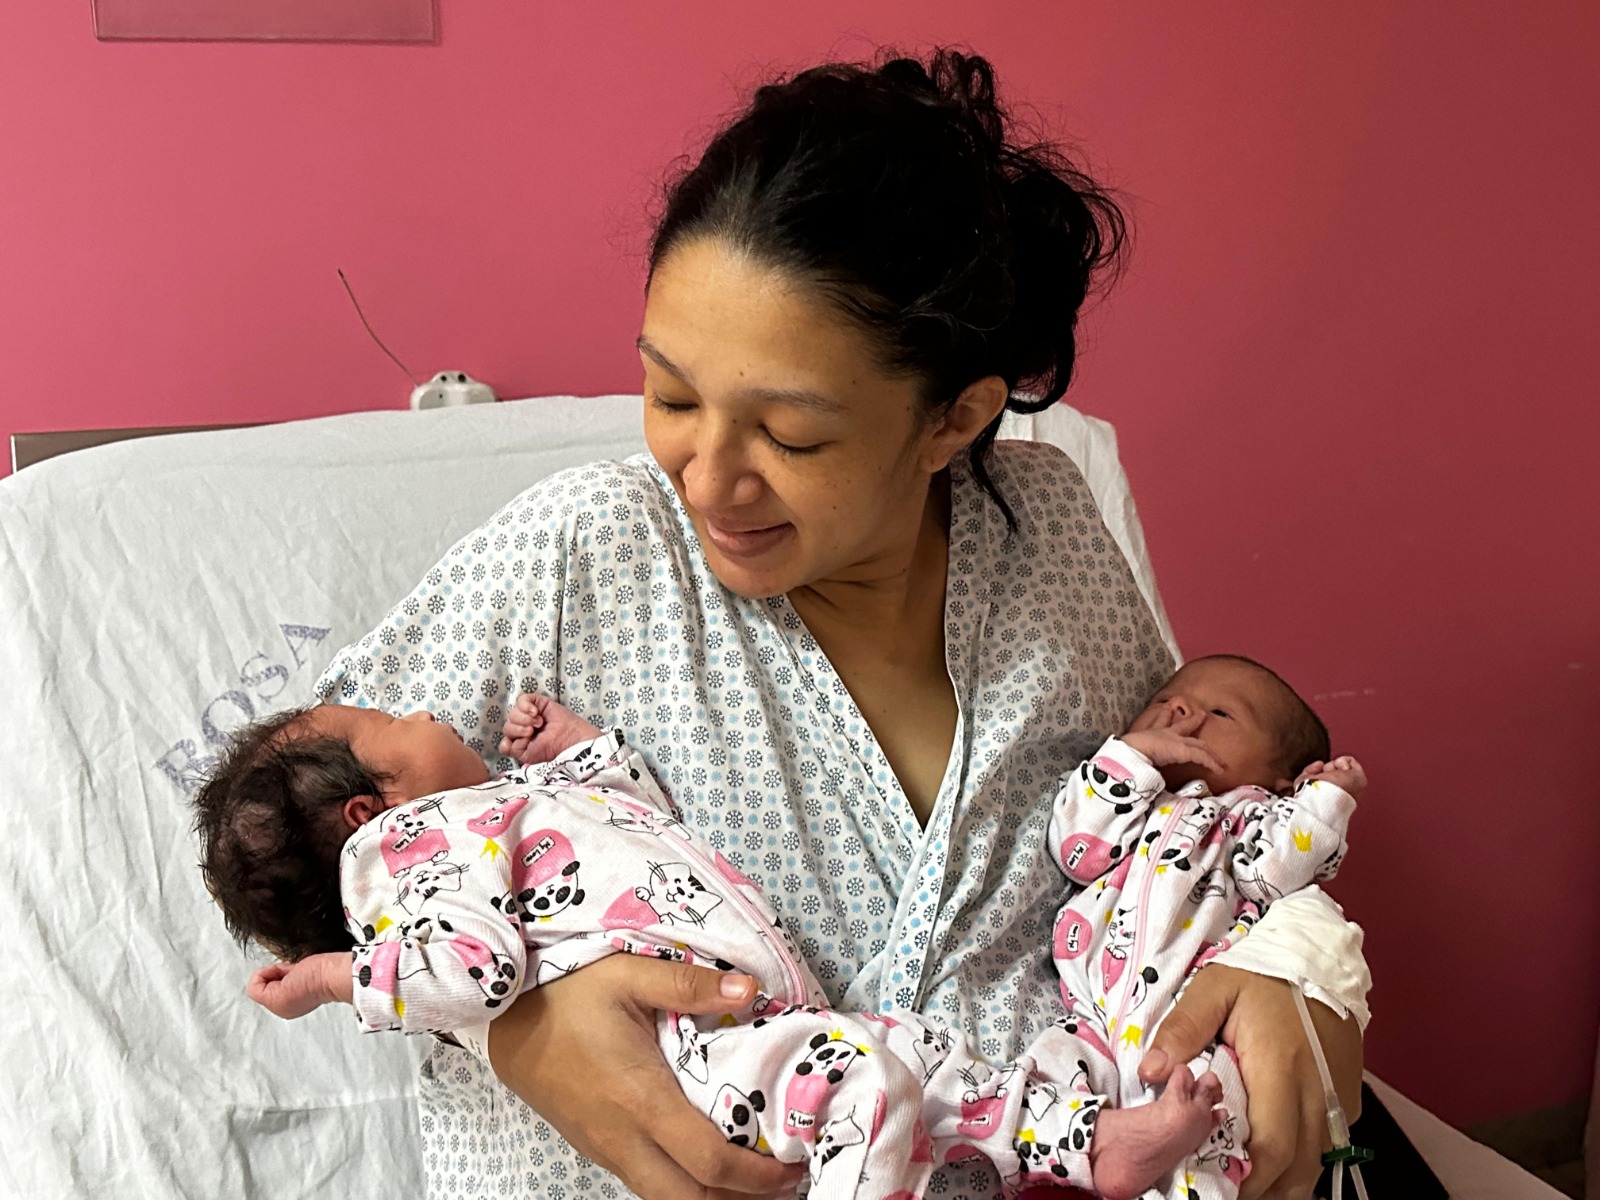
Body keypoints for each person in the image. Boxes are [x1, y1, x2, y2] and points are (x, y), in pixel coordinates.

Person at [314, 48, 1369, 1200]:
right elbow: (279, 836)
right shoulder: (583, 554)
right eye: (670, 395)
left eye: (792, 436)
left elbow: (1195, 823)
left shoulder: (1046, 535)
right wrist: (522, 1023)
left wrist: (1298, 963)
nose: (707, 476)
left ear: (952, 421)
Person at [196, 652, 1355, 1200]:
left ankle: (1093, 1146)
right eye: (385, 719)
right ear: (374, 811)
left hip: (766, 1018)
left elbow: (631, 822)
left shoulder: (507, 804)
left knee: (931, 1073)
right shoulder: (415, 852)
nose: (416, 703)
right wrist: (341, 978)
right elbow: (471, 969)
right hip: (693, 1047)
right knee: (874, 1090)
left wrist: (575, 750)